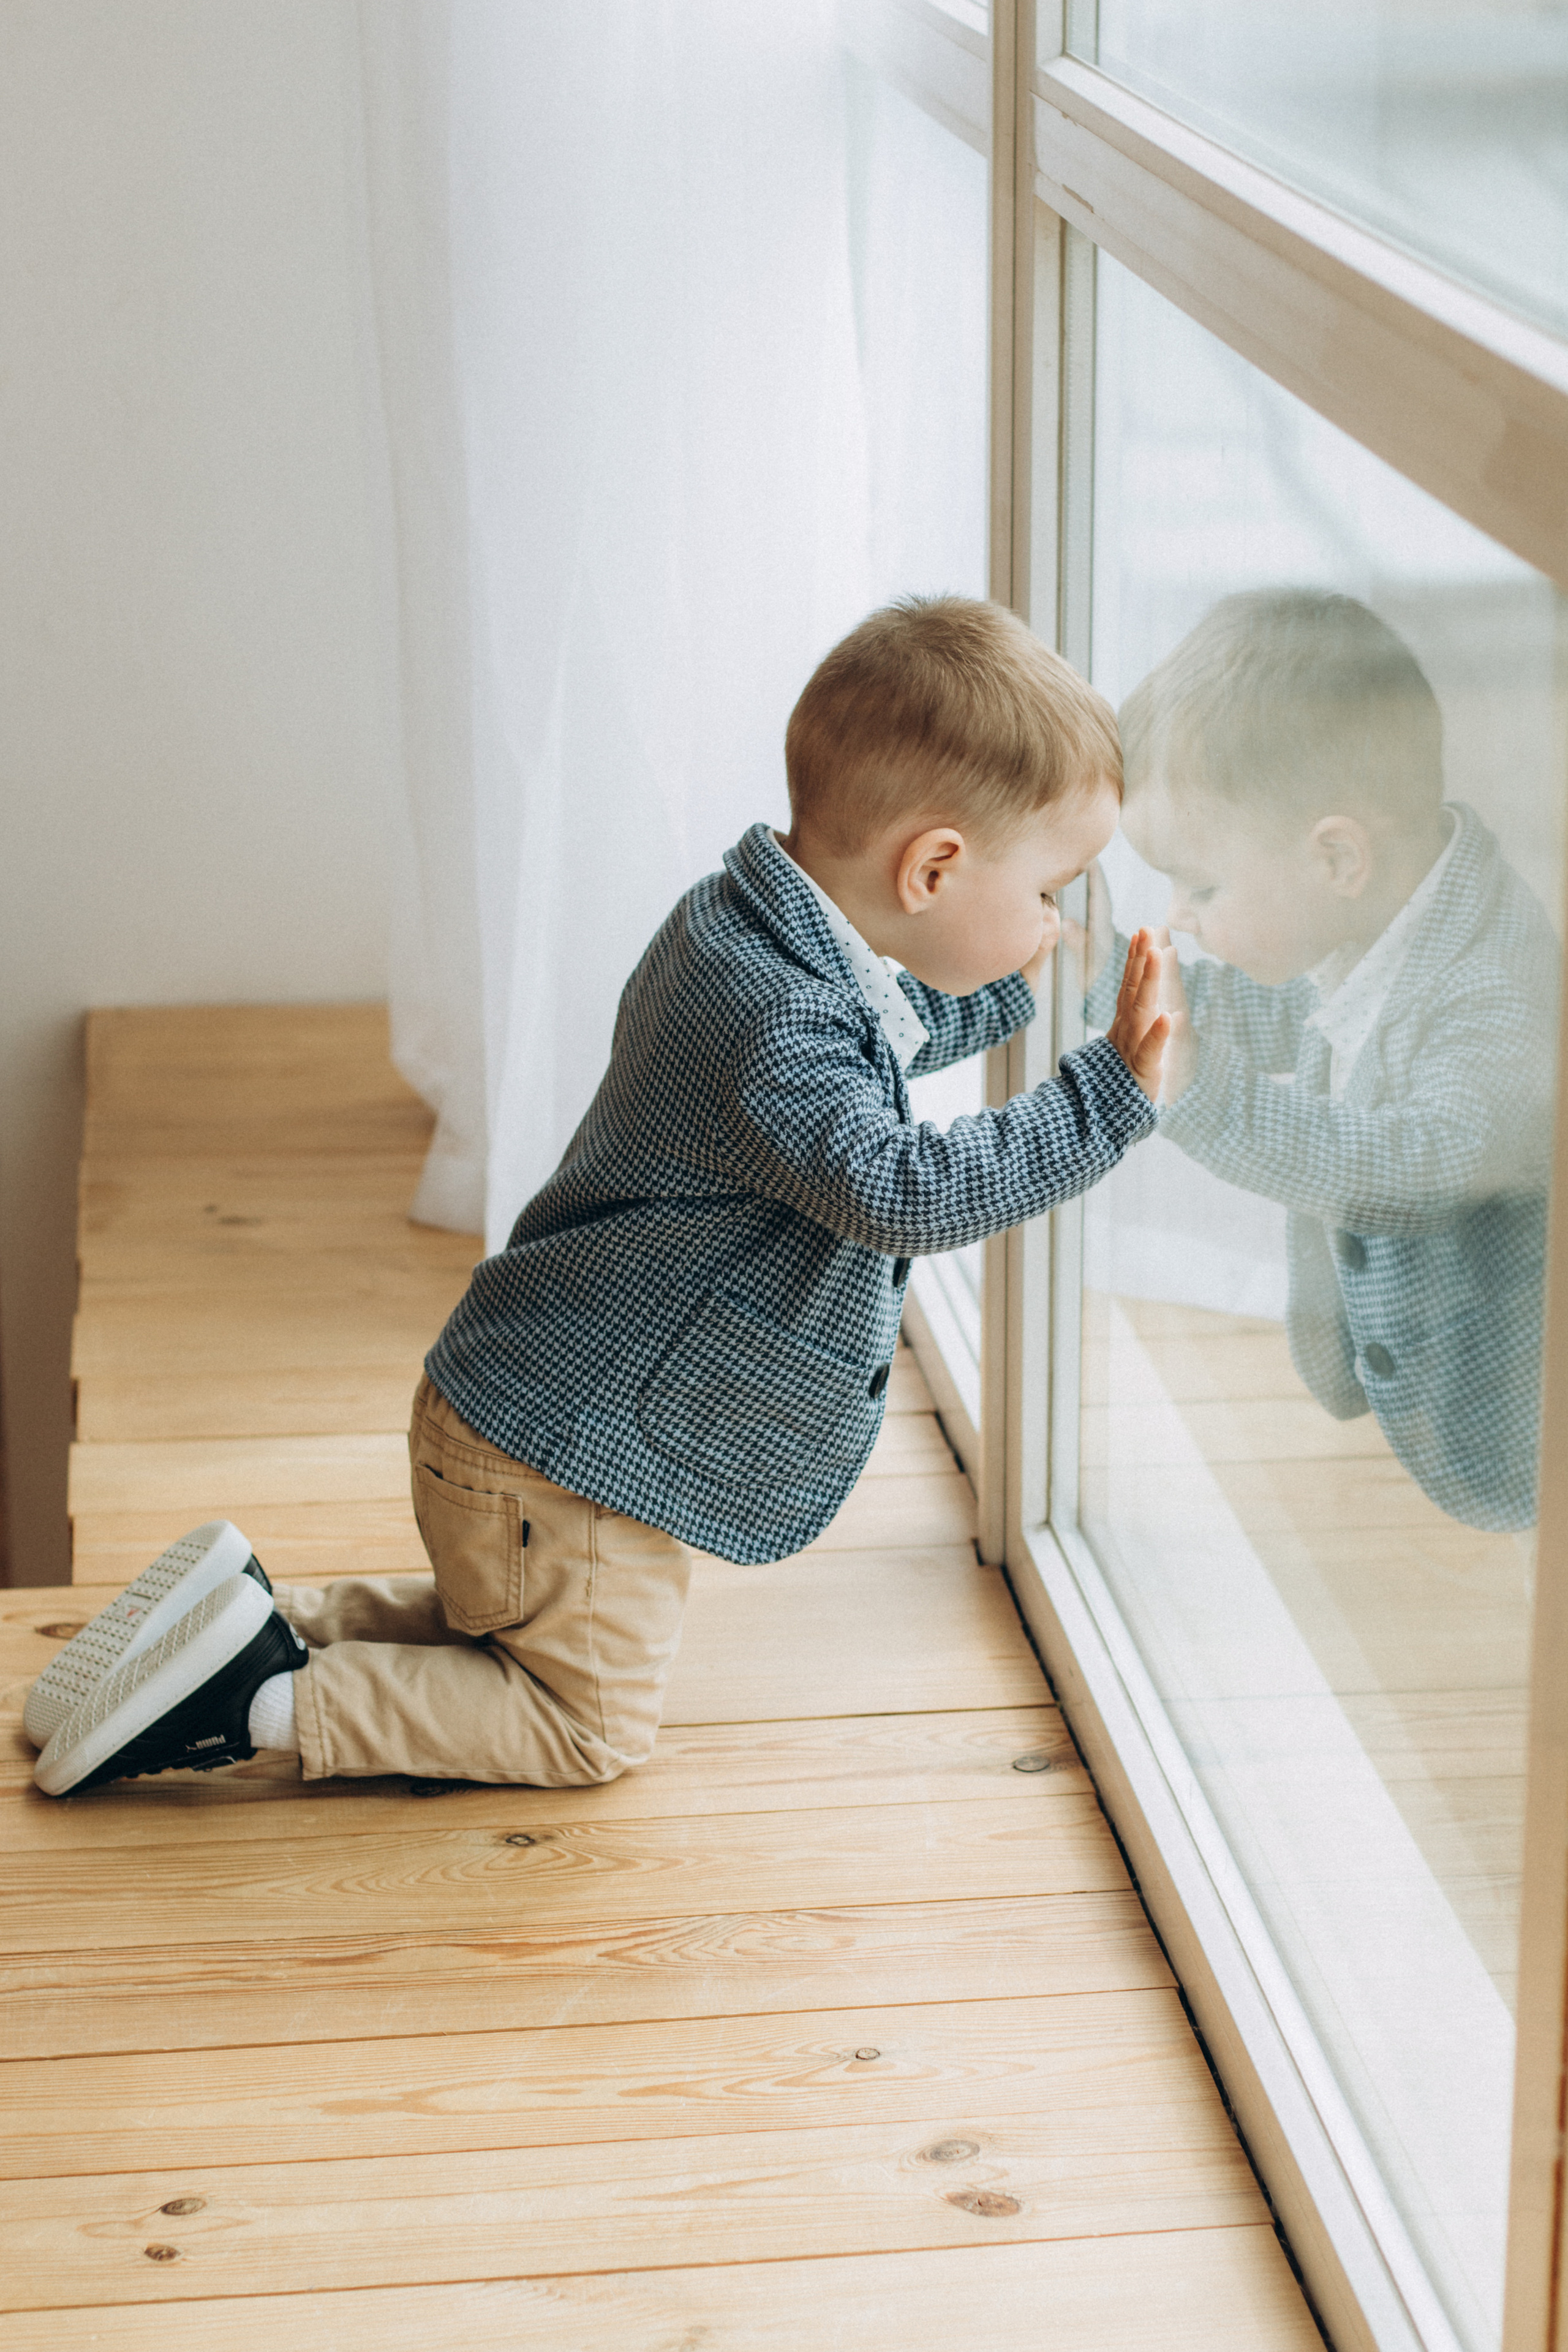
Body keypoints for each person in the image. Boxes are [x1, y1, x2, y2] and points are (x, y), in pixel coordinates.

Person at [30, 595, 1167, 1799]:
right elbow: (893, 1187)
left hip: (517, 1426)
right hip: (559, 1470)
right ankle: (251, 1699)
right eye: (1053, 889)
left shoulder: (743, 931)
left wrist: (1012, 996)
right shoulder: (780, 1020)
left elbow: (865, 1048)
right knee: (581, 1726)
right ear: (933, 865)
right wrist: (1102, 1100)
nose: (1057, 919)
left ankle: (260, 1618)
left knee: (501, 1632)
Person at [1087, 587, 1558, 1532]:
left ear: (1338, 859)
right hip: (1420, 1401)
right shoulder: (1359, 923)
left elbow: (1404, 1169)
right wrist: (1111, 978)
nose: (1179, 914)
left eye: (1202, 885)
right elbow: (1254, 1014)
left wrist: (1194, 1091)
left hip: (1513, 1445)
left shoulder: (1500, 996)